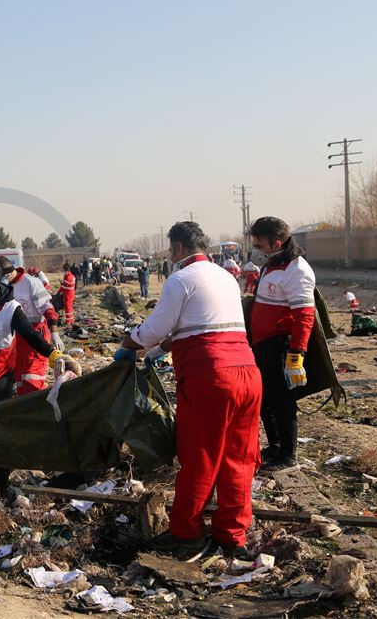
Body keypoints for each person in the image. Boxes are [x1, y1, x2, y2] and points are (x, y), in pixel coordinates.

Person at [114, 221, 261, 557]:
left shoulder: (180, 279)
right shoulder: (226, 277)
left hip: (211, 378)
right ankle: (232, 536)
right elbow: (199, 324)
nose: (169, 254)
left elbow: (155, 327)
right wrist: (158, 351)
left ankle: (187, 533)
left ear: (178, 247)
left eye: (170, 248)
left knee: (200, 456)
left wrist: (129, 345)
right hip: (248, 374)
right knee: (238, 458)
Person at [0, 263, 72, 500]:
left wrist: (53, 355)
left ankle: (1, 483)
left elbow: (30, 335)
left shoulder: (10, 309)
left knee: (2, 429)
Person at [248, 216, 316, 470]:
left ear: (277, 243)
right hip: (262, 344)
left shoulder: (296, 271)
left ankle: (288, 455)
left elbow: (304, 317)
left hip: (280, 345)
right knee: (265, 398)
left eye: (259, 243)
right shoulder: (272, 263)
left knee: (282, 402)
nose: (256, 247)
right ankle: (275, 445)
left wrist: (296, 356)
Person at [0, 256, 64, 396]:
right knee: (20, 380)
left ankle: (39, 407)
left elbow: (48, 308)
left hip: (35, 337)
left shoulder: (31, 283)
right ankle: (25, 407)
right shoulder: (3, 287)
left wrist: (54, 333)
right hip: (16, 341)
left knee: (32, 378)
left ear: (7, 274)